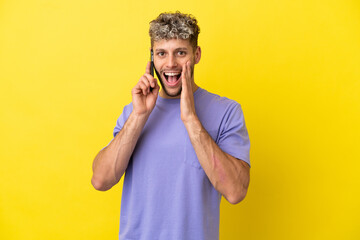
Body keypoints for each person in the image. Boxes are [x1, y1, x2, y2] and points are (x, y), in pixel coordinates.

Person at [91, 11, 251, 240]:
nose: (170, 63)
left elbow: (236, 191)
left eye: (181, 53)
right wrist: (139, 116)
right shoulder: (134, 111)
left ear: (196, 54)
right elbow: (101, 180)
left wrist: (190, 119)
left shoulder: (227, 112)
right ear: (152, 57)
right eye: (161, 53)